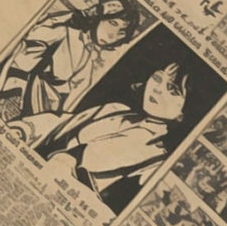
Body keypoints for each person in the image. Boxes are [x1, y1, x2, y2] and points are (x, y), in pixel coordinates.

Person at [20, 62, 191, 212]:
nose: (158, 89)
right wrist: (25, 129)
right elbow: (62, 121)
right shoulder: (115, 109)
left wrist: (65, 162)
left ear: (183, 113)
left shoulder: (157, 158)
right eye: (158, 78)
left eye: (173, 90)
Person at [0, 0, 141, 123]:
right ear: (97, 17)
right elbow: (29, 40)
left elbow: (71, 103)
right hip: (14, 97)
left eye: (122, 31)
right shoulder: (65, 33)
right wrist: (75, 16)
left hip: (43, 116)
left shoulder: (89, 58)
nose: (113, 35)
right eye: (112, 23)